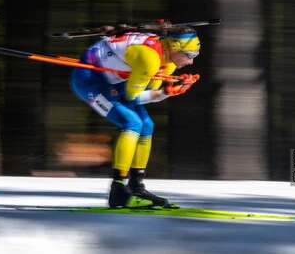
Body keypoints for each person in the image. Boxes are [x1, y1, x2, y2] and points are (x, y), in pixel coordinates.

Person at [70, 25, 201, 208]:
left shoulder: (168, 60)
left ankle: (136, 186)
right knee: (131, 123)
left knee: (146, 125)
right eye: (190, 54)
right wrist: (166, 93)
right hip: (90, 80)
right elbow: (133, 97)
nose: (191, 62)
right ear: (174, 47)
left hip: (113, 78)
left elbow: (147, 90)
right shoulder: (149, 58)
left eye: (195, 54)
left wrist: (165, 89)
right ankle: (118, 190)